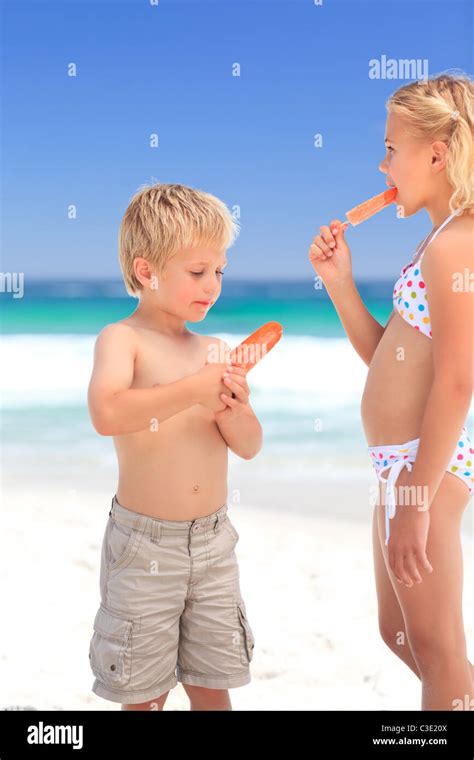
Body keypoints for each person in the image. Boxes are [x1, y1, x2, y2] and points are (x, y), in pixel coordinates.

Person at [308, 72, 473, 710]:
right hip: (399, 466)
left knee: (436, 647)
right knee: (401, 633)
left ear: (435, 153)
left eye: (391, 148)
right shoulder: (433, 242)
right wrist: (339, 283)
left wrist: (416, 500)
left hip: (423, 469)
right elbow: (389, 359)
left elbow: (459, 381)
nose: (382, 164)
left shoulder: (457, 247)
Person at [87, 182, 261, 710]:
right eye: (197, 272)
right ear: (147, 272)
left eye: (219, 272)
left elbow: (249, 446)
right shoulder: (123, 340)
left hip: (213, 544)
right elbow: (107, 412)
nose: (213, 285)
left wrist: (235, 408)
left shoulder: (214, 349)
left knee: (213, 683)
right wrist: (191, 390)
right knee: (143, 691)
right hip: (145, 546)